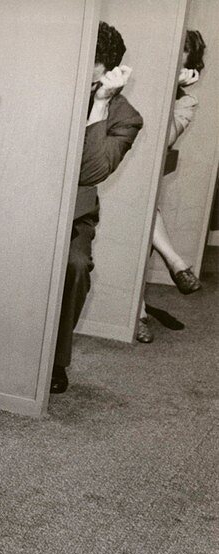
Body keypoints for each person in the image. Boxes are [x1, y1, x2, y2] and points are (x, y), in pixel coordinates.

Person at [51, 22, 143, 394]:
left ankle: (55, 362)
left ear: (107, 70)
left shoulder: (125, 117)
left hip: (75, 214)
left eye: (89, 61)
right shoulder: (51, 86)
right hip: (30, 201)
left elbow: (90, 171)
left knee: (74, 266)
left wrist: (101, 102)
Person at [137, 29, 208, 342]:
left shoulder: (186, 103)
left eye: (184, 50)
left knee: (143, 214)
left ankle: (136, 310)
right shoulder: (140, 79)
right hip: (115, 166)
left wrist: (172, 92)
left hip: (139, 177)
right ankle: (176, 262)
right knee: (145, 208)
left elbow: (161, 141)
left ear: (189, 63)